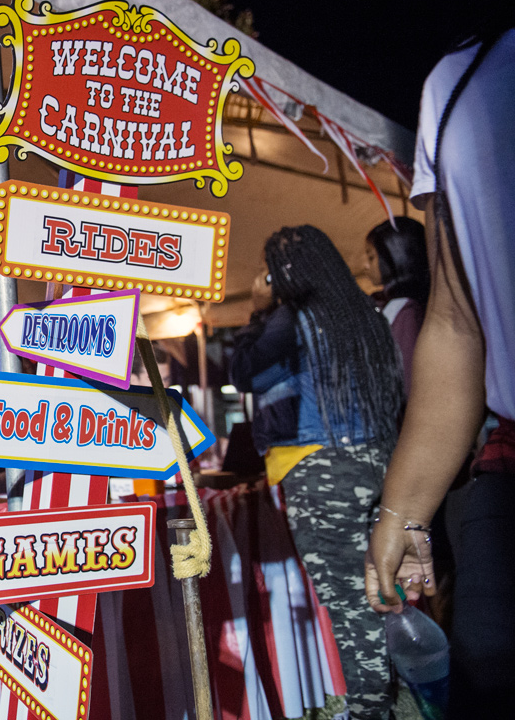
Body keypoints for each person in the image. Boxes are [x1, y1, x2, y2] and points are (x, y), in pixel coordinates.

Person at [366, 0, 515, 715]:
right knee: (486, 669)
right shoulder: (456, 89)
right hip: (504, 476)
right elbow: (456, 326)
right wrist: (404, 510)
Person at [229, 225, 404, 720]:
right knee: (378, 584)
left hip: (320, 468)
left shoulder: (293, 316)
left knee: (349, 596)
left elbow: (245, 372)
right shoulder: (363, 312)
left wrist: (257, 310)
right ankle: (397, 686)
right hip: (376, 459)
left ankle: (372, 708)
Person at [364, 217, 430, 395]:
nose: (365, 266)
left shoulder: (404, 311)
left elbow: (408, 381)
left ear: (395, 254)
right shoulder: (395, 306)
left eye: (371, 257)